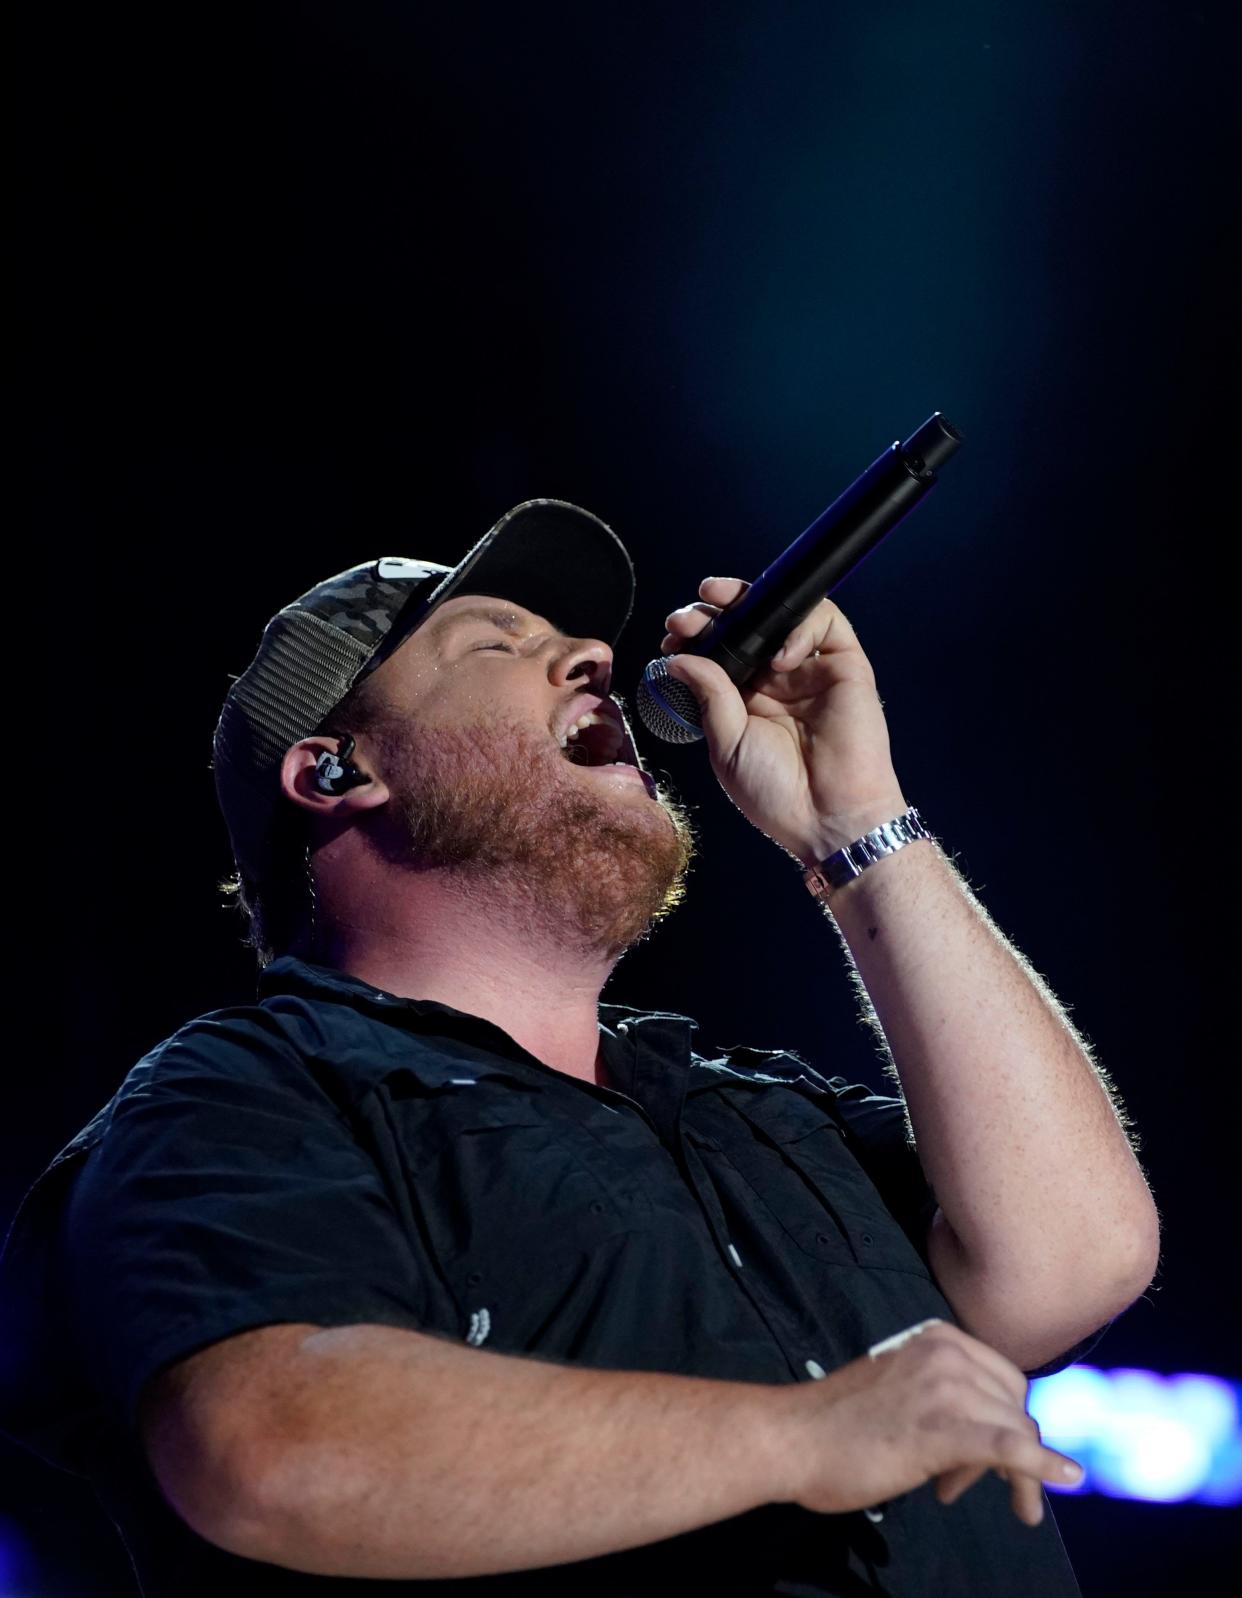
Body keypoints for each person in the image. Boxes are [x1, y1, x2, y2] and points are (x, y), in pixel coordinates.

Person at [1, 499, 1159, 1596]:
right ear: (338, 768)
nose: (595, 656)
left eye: (580, 637)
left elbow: (1075, 1259)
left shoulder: (755, 1108)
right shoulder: (244, 1094)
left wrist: (858, 823)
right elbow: (271, 1446)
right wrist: (806, 1433)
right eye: (494, 640)